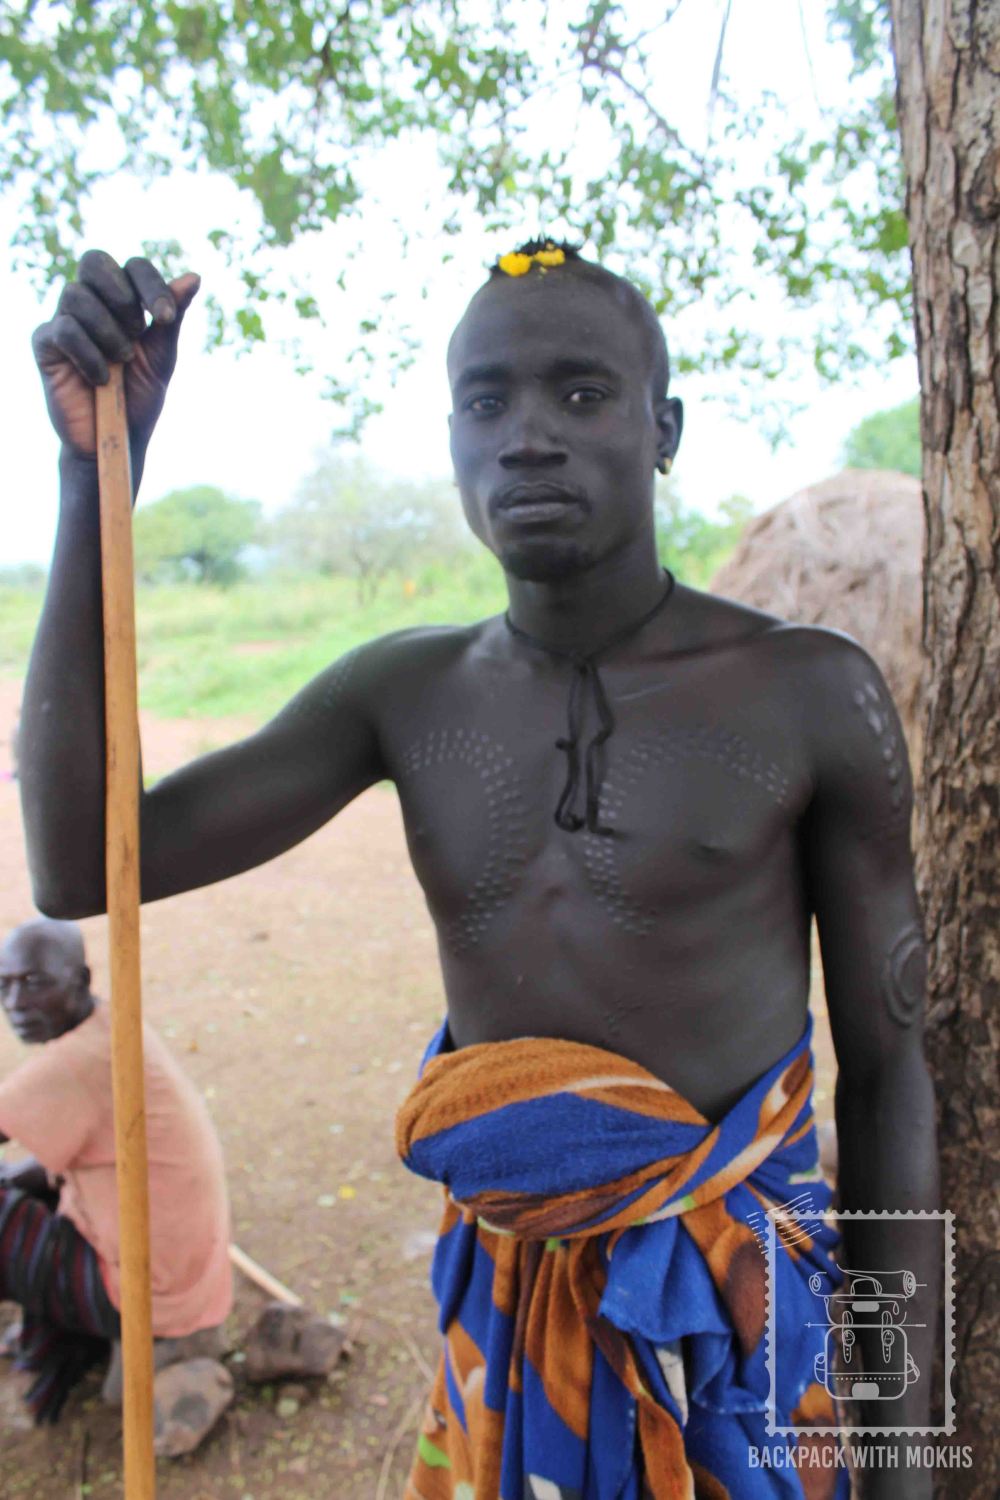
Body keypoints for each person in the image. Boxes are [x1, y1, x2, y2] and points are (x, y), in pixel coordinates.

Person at [20, 243, 939, 1496]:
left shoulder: (805, 693)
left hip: (739, 1328)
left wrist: (894, 1444)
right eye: (485, 401)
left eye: (580, 395)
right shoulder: (403, 694)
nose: (525, 438)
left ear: (662, 429)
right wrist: (91, 480)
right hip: (507, 1328)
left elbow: (888, 1087)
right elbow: (84, 865)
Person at [0, 917, 232, 1424]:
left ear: (80, 981)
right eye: (4, 985)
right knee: (21, 1186)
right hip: (183, 1272)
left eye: (34, 983)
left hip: (154, 1294)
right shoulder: (109, 1025)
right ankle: (60, 1335)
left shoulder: (74, 1062)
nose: (15, 1003)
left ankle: (64, 1338)